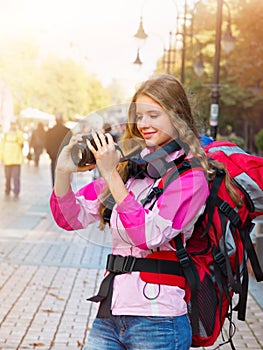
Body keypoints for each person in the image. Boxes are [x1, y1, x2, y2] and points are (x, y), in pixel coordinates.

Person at [50, 74, 211, 350]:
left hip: (159, 320)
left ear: (177, 116)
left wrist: (111, 173)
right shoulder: (131, 169)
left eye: (153, 115)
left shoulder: (191, 177)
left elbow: (148, 236)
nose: (144, 124)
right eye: (139, 116)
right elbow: (71, 217)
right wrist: (63, 172)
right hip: (111, 314)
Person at [0, 119, 24, 199]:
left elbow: (21, 142)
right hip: (7, 159)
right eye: (12, 124)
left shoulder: (19, 133)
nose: (13, 126)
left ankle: (16, 190)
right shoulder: (6, 134)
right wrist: (2, 157)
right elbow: (2, 147)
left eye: (14, 124)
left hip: (16, 159)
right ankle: (7, 189)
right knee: (7, 177)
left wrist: (17, 132)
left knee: (16, 177)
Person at [45, 113, 72, 186]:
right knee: (65, 175)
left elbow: (47, 144)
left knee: (54, 175)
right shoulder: (67, 131)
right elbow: (72, 144)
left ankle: (55, 191)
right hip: (65, 156)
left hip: (54, 156)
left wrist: (50, 153)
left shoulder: (50, 131)